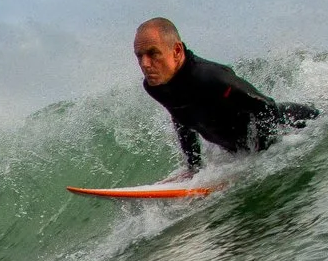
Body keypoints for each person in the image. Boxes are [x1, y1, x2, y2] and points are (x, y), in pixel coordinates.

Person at [131, 17, 317, 174]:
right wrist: (194, 169)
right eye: (139, 56)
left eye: (153, 53)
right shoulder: (155, 86)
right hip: (246, 148)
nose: (145, 64)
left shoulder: (210, 78)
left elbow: (265, 106)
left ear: (177, 51)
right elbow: (180, 117)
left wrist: (261, 157)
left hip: (298, 125)